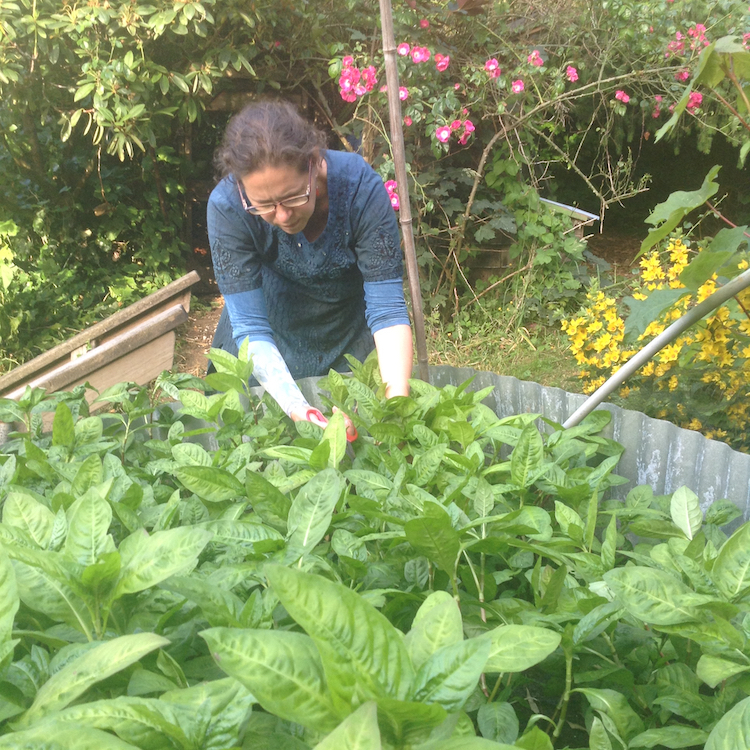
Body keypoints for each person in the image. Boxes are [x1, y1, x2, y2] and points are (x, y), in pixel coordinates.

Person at [207, 99, 413, 429]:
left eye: (292, 197)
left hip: (346, 327)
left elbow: (388, 311)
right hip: (268, 334)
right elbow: (250, 326)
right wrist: (295, 405)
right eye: (264, 206)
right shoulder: (228, 207)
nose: (283, 215)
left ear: (314, 163)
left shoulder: (360, 188)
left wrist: (396, 409)